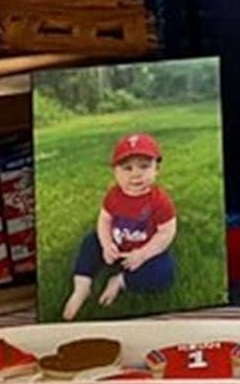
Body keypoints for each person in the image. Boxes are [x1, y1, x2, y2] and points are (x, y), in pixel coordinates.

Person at [63, 132, 177, 319]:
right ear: (115, 172)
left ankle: (120, 281)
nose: (136, 174)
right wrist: (107, 244)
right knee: (90, 243)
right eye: (127, 168)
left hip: (144, 249)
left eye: (144, 166)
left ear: (157, 169)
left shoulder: (160, 201)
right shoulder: (113, 196)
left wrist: (143, 254)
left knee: (164, 272)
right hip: (116, 245)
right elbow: (104, 220)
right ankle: (82, 286)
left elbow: (166, 232)